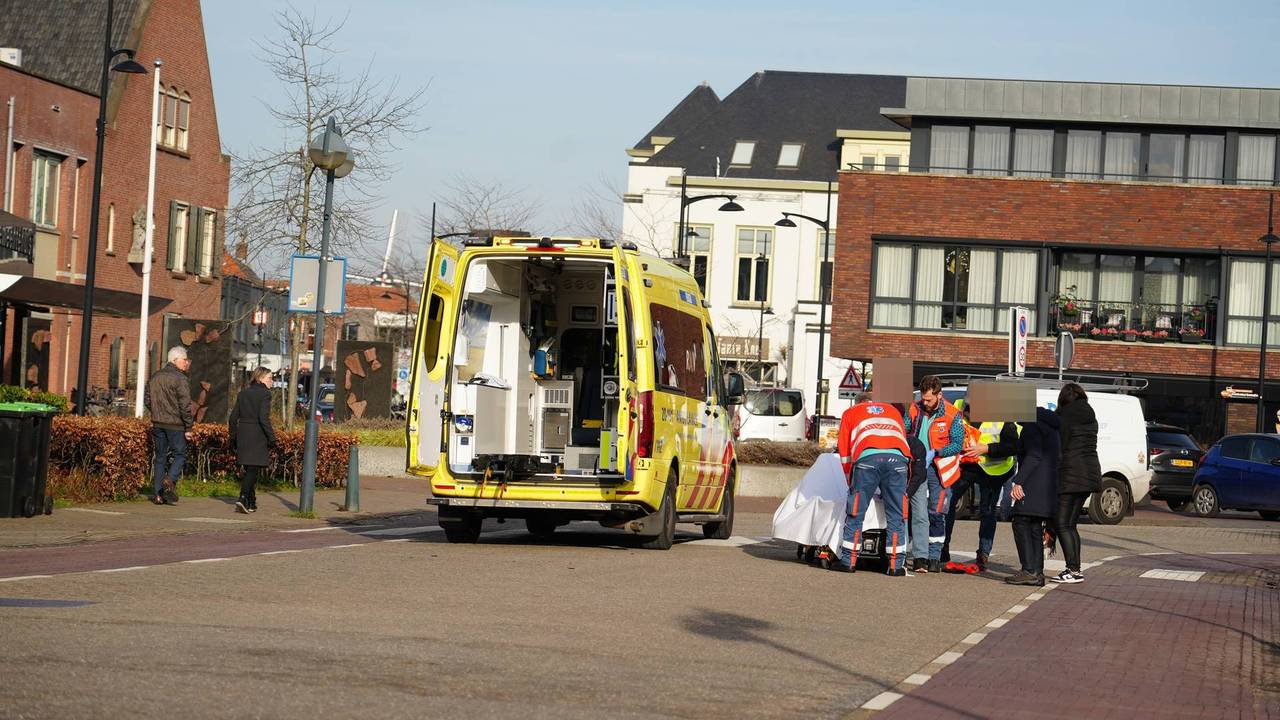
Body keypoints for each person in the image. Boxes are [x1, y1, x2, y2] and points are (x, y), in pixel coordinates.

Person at [830, 391, 910, 576]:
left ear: (858, 403)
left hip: (867, 460)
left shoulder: (851, 412)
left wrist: (850, 477)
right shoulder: (891, 410)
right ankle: (896, 566)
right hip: (898, 460)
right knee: (897, 514)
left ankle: (848, 562)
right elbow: (902, 437)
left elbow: (844, 449)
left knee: (856, 511)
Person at [942, 399, 1020, 572]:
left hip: (992, 470)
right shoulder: (959, 406)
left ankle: (983, 554)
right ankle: (942, 549)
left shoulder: (1003, 419)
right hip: (966, 465)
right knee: (948, 504)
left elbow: (1013, 446)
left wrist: (986, 449)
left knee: (987, 510)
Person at [904, 375, 965, 573]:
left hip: (939, 467)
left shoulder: (952, 414)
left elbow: (957, 444)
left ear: (940, 395)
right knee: (919, 511)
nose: (926, 403)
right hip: (918, 465)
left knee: (937, 511)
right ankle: (920, 556)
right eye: (923, 399)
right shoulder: (914, 408)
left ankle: (935, 556)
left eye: (929, 399)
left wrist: (937, 452)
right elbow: (903, 430)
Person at [1006, 406, 1061, 586]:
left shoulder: (1031, 426)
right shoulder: (1048, 425)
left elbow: (1034, 456)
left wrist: (1018, 481)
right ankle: (1037, 572)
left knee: (1020, 522)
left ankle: (1029, 570)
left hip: (1033, 483)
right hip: (1047, 484)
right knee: (1034, 526)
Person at [1052, 383, 1101, 584]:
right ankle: (1075, 569)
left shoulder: (1065, 417)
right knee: (1071, 524)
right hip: (1090, 474)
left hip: (1071, 474)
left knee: (1062, 523)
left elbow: (1059, 446)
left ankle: (1073, 569)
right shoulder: (1091, 416)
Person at [143, 346, 194, 505]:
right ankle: (170, 480)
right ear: (175, 360)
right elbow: (185, 405)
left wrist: (157, 412)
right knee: (180, 454)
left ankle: (158, 495)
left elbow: (147, 400)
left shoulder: (155, 376)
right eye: (184, 359)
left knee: (160, 458)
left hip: (158, 423)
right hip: (176, 425)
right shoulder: (180, 378)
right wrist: (189, 427)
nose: (186, 362)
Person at [229, 367, 278, 514]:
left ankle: (251, 502)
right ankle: (243, 497)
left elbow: (232, 418)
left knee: (250, 468)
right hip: (257, 434)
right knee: (252, 469)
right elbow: (264, 418)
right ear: (261, 378)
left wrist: (233, 437)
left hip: (243, 433)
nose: (272, 381)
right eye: (270, 378)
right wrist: (271, 437)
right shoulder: (265, 394)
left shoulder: (243, 393)